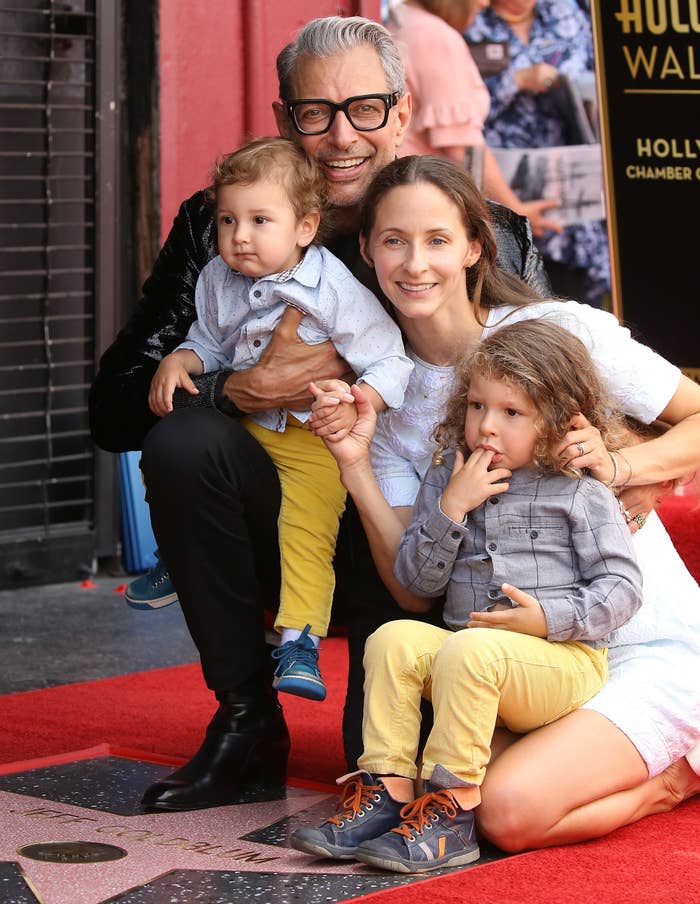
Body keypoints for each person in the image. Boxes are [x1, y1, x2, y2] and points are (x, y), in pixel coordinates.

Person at [89, 16, 549, 812]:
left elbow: (538, 395)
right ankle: (245, 720)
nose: (341, 136)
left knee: (379, 766)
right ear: (282, 118)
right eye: (315, 113)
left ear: (403, 112)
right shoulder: (221, 222)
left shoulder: (483, 230)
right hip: (285, 513)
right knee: (185, 440)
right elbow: (115, 404)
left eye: (365, 109)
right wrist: (240, 386)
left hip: (417, 535)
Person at [290, 155, 700, 856]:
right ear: (366, 250)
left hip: (637, 638)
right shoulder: (382, 396)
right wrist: (353, 459)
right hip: (513, 658)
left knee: (506, 812)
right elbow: (409, 590)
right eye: (393, 240)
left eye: (438, 240)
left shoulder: (558, 334)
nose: (415, 263)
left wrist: (620, 467)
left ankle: (675, 777)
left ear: (476, 245)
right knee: (451, 793)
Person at [291, 318, 643, 872]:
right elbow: (416, 584)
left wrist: (545, 620)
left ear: (556, 421)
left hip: (561, 664)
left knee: (469, 650)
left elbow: (622, 590)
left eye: (511, 413)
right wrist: (451, 509)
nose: (486, 427)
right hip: (470, 662)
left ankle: (453, 812)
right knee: (393, 639)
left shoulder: (579, 491)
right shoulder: (449, 477)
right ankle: (387, 791)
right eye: (477, 406)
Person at [147, 137, 412, 703]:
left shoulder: (332, 287)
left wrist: (358, 398)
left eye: (259, 220)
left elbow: (391, 358)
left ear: (304, 227)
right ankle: (176, 562)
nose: (239, 236)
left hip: (310, 436)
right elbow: (211, 343)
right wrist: (183, 358)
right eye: (227, 219)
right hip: (250, 426)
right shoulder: (217, 278)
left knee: (305, 530)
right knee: (185, 453)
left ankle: (300, 640)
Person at [465, 0, 610, 306]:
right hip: (499, 185)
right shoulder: (471, 20)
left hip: (571, 190)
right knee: (515, 305)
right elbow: (453, 107)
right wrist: (514, 82)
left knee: (576, 307)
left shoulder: (567, 12)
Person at [386, 0, 561, 237]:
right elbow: (463, 148)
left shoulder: (405, 20)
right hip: (427, 200)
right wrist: (515, 210)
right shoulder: (435, 35)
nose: (485, 2)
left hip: (407, 194)